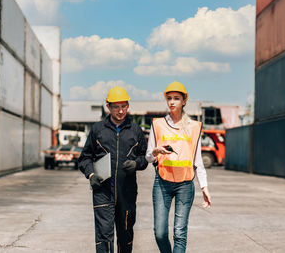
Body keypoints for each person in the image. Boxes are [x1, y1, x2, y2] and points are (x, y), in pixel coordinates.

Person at [78, 86, 148, 253]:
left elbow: (145, 157)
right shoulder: (97, 130)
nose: (120, 110)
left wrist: (136, 164)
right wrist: (91, 174)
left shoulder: (135, 130)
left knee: (125, 235)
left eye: (124, 106)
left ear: (128, 106)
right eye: (116, 106)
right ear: (108, 106)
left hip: (127, 192)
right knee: (104, 236)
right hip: (103, 190)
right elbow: (85, 157)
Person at [145, 81, 212, 253]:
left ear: (184, 101)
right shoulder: (157, 124)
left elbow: (197, 160)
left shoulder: (194, 127)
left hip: (185, 184)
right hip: (162, 183)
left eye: (176, 98)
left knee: (179, 234)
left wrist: (204, 187)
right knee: (160, 233)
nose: (172, 102)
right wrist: (154, 152)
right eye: (169, 98)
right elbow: (147, 157)